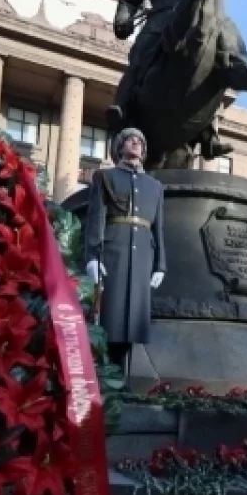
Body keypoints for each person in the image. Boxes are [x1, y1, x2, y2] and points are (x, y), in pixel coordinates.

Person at [107, 0, 232, 160]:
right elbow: (130, 0)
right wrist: (123, 18)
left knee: (206, 73)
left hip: (185, 29)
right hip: (156, 25)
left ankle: (208, 135)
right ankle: (121, 108)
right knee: (139, 59)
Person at [83, 128, 166, 376]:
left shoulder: (155, 186)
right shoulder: (105, 177)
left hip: (142, 257)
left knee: (133, 321)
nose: (136, 142)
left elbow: (158, 228)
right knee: (112, 315)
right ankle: (108, 377)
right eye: (130, 139)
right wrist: (92, 257)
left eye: (140, 141)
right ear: (119, 146)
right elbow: (96, 218)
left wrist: (161, 264)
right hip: (113, 252)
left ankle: (124, 379)